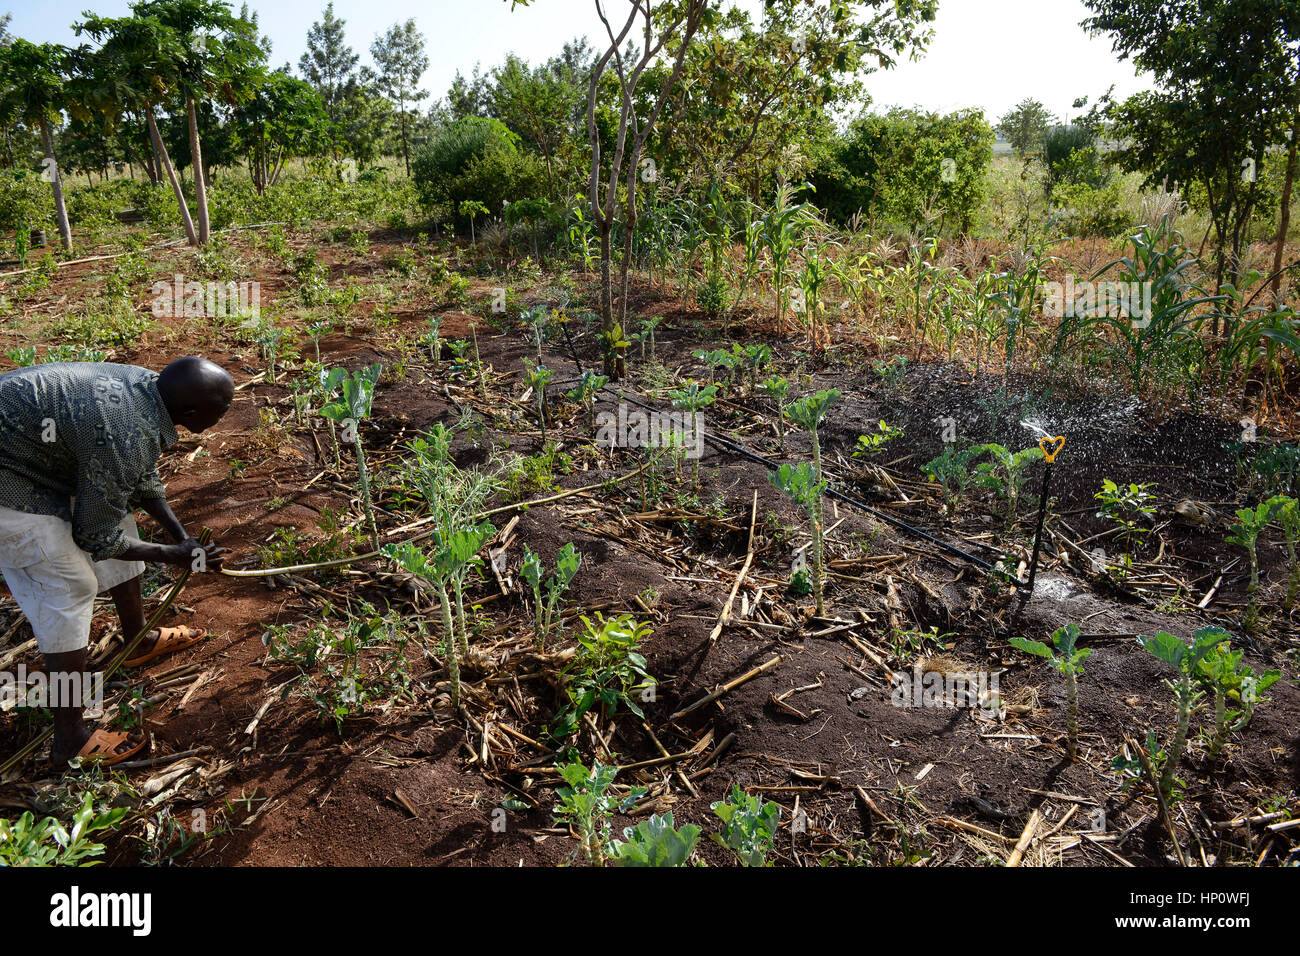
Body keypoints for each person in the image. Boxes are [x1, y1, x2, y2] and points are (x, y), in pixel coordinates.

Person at [0, 356, 233, 767]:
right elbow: (96, 537)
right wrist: (174, 555)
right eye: (223, 408)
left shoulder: (148, 390)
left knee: (116, 511)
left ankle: (137, 639)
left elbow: (136, 477)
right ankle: (69, 739)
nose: (226, 414)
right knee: (68, 585)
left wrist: (182, 537)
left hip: (32, 454)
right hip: (8, 478)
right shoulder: (125, 427)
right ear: (192, 411)